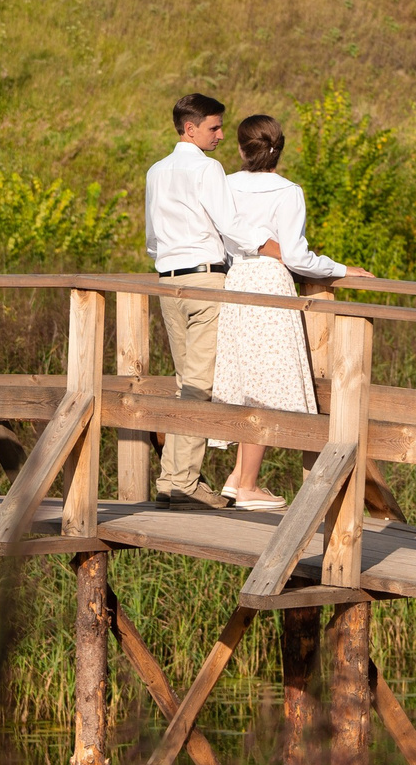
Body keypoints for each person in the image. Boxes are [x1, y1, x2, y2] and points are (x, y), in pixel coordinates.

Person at [210, 114, 372, 507]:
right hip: (269, 283)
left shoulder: (225, 185)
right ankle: (247, 484)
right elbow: (297, 256)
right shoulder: (288, 190)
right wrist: (340, 269)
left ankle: (237, 478)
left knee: (247, 378)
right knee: (264, 385)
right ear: (279, 148)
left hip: (235, 282)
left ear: (240, 148)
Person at [142, 93, 279, 508]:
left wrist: (168, 260)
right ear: (191, 129)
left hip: (168, 281)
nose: (220, 135)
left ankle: (171, 480)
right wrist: (269, 246)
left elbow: (152, 236)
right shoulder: (207, 168)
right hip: (205, 281)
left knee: (187, 381)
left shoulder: (156, 170)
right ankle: (182, 483)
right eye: (214, 128)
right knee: (199, 385)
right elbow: (230, 224)